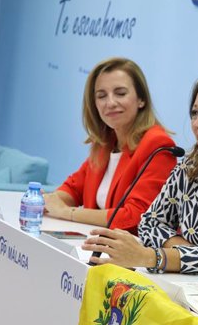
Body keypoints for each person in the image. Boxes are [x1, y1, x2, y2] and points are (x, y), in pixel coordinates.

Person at [83, 71, 198, 273]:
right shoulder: (188, 171)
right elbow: (148, 224)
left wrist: (152, 256)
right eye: (195, 113)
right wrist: (190, 251)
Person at [43, 57, 176, 233]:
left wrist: (68, 213)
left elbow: (135, 217)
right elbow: (73, 188)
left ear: (141, 99)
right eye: (101, 96)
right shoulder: (106, 143)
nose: (110, 103)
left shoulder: (157, 145)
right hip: (94, 248)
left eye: (120, 93)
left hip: (131, 255)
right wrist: (50, 201)